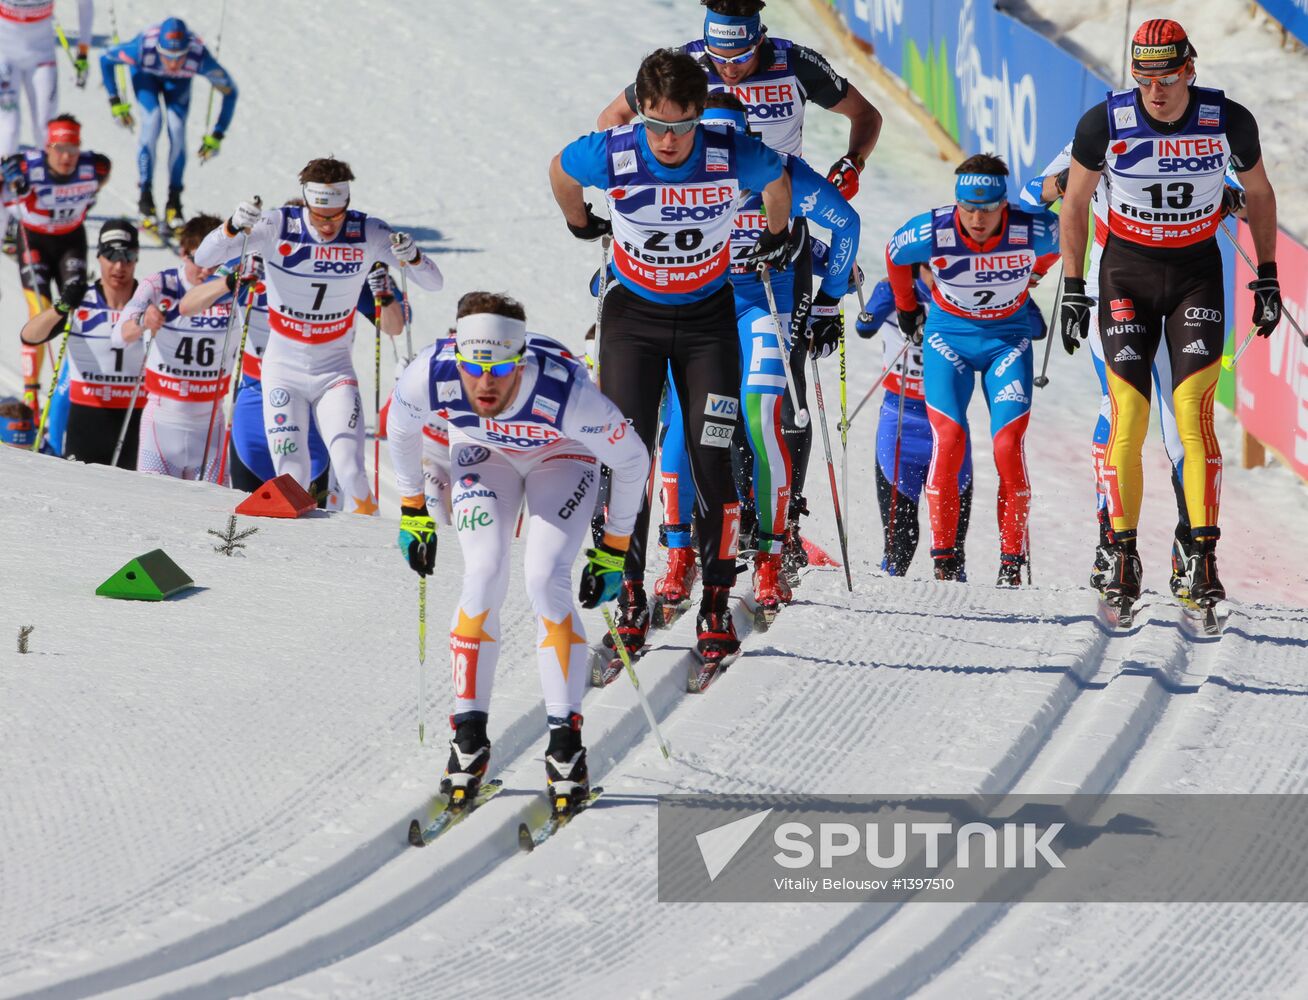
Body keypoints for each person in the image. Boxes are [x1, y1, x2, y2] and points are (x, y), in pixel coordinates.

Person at [598, 0, 883, 574]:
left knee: (774, 402)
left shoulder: (794, 65)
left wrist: (850, 164)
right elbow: (609, 130)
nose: (728, 68)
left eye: (741, 56)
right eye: (719, 58)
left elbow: (865, 119)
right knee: (686, 416)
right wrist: (629, 226)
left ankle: (779, 525)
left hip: (778, 258)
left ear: (761, 39)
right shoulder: (678, 70)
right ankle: (688, 539)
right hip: (697, 278)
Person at [551, 47, 791, 666]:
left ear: (698, 115)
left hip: (709, 325)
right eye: (656, 124)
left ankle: (715, 602)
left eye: (681, 126)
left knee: (712, 460)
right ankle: (630, 598)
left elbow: (777, 178)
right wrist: (583, 224)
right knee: (626, 457)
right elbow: (559, 169)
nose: (667, 140)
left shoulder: (728, 150)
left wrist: (776, 236)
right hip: (634, 323)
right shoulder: (616, 151)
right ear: (641, 115)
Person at [388, 291, 649, 814]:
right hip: (484, 452)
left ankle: (566, 744)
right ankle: (467, 736)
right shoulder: (429, 373)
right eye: (474, 368)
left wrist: (615, 548)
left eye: (501, 370)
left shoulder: (569, 391)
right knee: (482, 572)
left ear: (521, 360)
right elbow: (401, 429)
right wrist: (413, 508)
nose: (485, 384)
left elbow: (634, 461)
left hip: (561, 452)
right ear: (456, 357)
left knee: (544, 576)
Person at [1059, 18, 1282, 612]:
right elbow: (1075, 201)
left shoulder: (1227, 119)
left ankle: (1200, 555)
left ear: (1189, 68)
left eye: (1166, 76)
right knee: (1128, 416)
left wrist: (1268, 275)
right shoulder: (1103, 122)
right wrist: (1074, 287)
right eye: (1143, 77)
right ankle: (1120, 551)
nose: (1154, 90)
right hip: (1125, 275)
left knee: (1193, 413)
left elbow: (1259, 193)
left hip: (1196, 276)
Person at [654, 92, 860, 623]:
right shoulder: (675, 169)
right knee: (681, 423)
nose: (725, 158)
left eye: (736, 144)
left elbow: (847, 224)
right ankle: (680, 552)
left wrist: (830, 297)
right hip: (696, 304)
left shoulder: (780, 170)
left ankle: (769, 555)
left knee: (761, 415)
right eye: (713, 143)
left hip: (762, 302)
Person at [1020, 141, 1222, 599]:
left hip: (1182, 289)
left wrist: (1231, 197)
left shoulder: (1198, 136)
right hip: (1107, 289)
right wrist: (1069, 182)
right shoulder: (1094, 137)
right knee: (1120, 412)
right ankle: (1111, 543)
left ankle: (1191, 544)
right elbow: (1034, 194)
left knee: (1182, 421)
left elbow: (1240, 192)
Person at [194, 156, 443, 514]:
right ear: (307, 203)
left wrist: (414, 257)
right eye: (320, 216)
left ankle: (372, 548)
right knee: (291, 472)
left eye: (337, 215)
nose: (328, 226)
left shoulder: (367, 232)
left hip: (334, 373)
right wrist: (232, 227)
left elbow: (434, 284)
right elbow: (205, 258)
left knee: (351, 468)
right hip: (282, 370)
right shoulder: (277, 224)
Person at [886, 154, 1059, 585]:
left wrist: (1033, 273)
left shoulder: (1033, 229)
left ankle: (1011, 564)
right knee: (950, 437)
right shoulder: (931, 229)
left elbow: (1060, 246)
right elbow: (894, 255)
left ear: (1005, 203)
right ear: (956, 202)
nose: (977, 219)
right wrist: (907, 309)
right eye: (968, 208)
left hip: (1008, 341)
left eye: (987, 209)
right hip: (949, 340)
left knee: (1006, 445)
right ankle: (944, 559)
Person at [112, 214, 239, 481]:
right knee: (154, 509)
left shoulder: (231, 290)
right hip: (162, 424)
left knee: (211, 514)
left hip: (210, 428)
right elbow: (119, 335)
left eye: (215, 264)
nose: (206, 272)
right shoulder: (159, 284)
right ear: (183, 253)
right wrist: (143, 321)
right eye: (199, 262)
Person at [2, 113, 109, 418]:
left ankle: (71, 383)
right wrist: (10, 181)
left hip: (70, 241)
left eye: (73, 150)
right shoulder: (27, 165)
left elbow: (102, 176)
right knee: (41, 310)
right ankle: (31, 393)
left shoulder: (95, 166)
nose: (66, 157)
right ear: (47, 147)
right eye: (60, 149)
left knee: (76, 311)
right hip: (33, 241)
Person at [19, 218, 144, 466]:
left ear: (137, 257)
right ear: (99, 257)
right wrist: (61, 307)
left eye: (127, 256)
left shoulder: (147, 299)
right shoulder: (81, 300)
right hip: (87, 420)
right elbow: (29, 336)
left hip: (135, 419)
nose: (119, 266)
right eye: (111, 255)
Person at [99, 16, 237, 232]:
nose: (173, 63)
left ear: (188, 49)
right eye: (167, 56)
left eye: (179, 56)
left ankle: (174, 201)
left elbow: (230, 92)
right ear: (158, 48)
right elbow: (106, 59)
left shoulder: (199, 57)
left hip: (178, 84)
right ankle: (146, 198)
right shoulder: (142, 50)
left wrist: (217, 135)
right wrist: (115, 102)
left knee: (177, 128)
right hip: (146, 76)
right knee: (152, 122)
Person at [0, 0, 94, 156]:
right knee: (9, 130)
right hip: (5, 55)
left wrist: (83, 50)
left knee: (45, 130)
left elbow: (85, 3)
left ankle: (43, 179)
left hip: (42, 56)